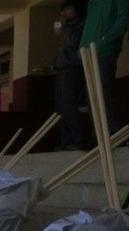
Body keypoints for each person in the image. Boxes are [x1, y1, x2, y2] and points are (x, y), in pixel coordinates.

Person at [80, 0, 129, 134]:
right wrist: (82, 46)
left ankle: (112, 133)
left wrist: (105, 40)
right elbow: (89, 26)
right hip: (88, 53)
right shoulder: (92, 3)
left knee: (103, 91)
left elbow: (124, 18)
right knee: (91, 95)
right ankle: (99, 135)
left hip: (106, 51)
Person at [54, 0, 88, 150]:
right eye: (63, 10)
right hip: (62, 69)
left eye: (68, 9)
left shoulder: (81, 26)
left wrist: (63, 32)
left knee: (70, 105)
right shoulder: (66, 28)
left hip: (73, 69)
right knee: (60, 108)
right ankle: (66, 141)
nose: (64, 13)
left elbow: (73, 44)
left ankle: (78, 139)